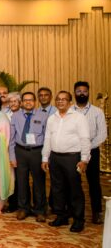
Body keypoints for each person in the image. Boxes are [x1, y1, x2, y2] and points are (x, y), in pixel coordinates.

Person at [42, 91, 90, 232]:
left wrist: (84, 160)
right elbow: (47, 139)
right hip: (55, 158)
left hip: (72, 158)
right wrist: (45, 158)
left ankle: (78, 220)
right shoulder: (52, 118)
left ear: (70, 102)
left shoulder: (78, 118)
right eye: (58, 99)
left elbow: (85, 139)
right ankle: (61, 216)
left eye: (64, 99)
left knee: (75, 189)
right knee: (57, 188)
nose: (60, 102)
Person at [8, 92, 49, 222]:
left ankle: (40, 210)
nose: (28, 102)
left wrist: (45, 157)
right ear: (21, 102)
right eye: (25, 100)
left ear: (35, 101)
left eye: (30, 100)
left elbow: (47, 137)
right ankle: (23, 208)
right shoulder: (15, 116)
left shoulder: (43, 116)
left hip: (37, 151)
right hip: (20, 151)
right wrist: (12, 156)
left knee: (38, 182)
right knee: (21, 181)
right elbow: (11, 138)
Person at [72, 81, 107, 224]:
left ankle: (96, 212)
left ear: (88, 92)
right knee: (74, 182)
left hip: (92, 151)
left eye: (84, 91)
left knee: (94, 183)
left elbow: (102, 134)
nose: (81, 93)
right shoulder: (69, 111)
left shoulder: (97, 112)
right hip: (73, 151)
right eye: (79, 91)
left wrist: (87, 147)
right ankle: (74, 211)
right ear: (74, 93)